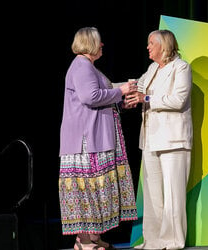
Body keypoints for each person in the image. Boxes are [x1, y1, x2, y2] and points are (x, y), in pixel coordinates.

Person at [59, 27, 138, 250]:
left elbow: (101, 95)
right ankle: (85, 241)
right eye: (99, 42)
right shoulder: (82, 66)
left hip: (95, 138)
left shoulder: (89, 67)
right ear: (90, 43)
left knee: (95, 188)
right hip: (86, 142)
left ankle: (92, 237)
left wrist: (122, 98)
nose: (102, 45)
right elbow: (90, 97)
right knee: (87, 188)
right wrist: (121, 91)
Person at [126, 30, 193, 250]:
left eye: (151, 43)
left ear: (163, 45)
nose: (147, 47)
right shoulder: (153, 68)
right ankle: (153, 240)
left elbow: (179, 100)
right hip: (151, 138)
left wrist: (146, 98)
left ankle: (173, 240)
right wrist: (126, 95)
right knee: (153, 194)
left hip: (173, 139)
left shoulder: (181, 67)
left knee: (173, 193)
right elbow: (138, 87)